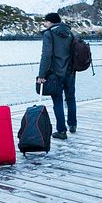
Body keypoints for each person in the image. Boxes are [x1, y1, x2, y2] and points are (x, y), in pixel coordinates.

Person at [37, 12, 77, 140]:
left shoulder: (49, 34)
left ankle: (61, 130)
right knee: (70, 98)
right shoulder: (70, 33)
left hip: (55, 73)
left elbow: (46, 55)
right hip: (70, 71)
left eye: (45, 21)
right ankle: (73, 124)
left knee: (58, 101)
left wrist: (41, 74)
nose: (44, 24)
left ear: (50, 22)